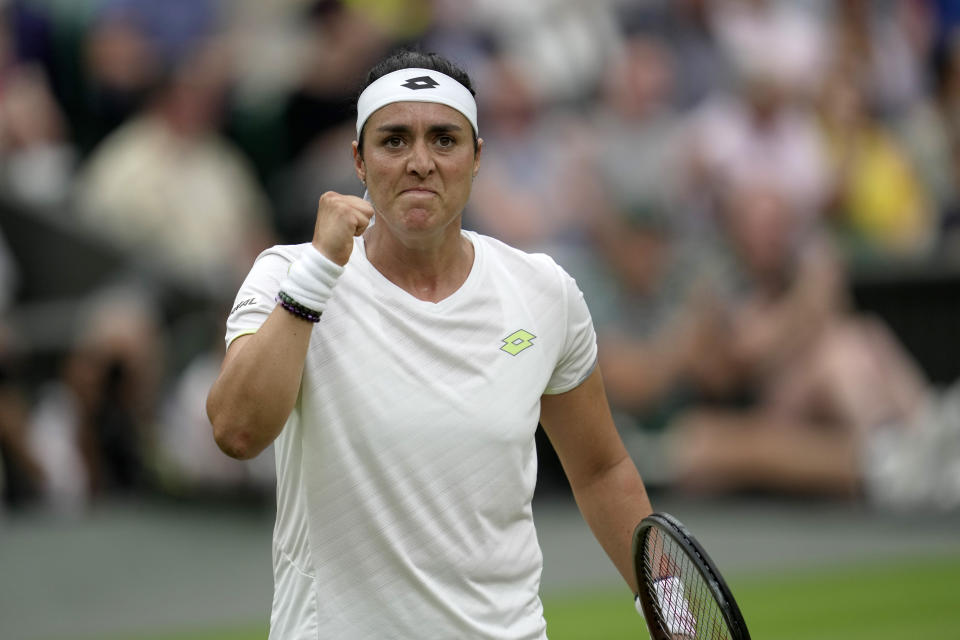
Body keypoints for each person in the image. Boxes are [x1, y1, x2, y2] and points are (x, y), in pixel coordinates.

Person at [205, 50, 653, 638]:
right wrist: (316, 276)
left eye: (444, 139)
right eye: (395, 141)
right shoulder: (288, 275)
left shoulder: (544, 291)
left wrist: (666, 605)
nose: (420, 162)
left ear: (477, 158)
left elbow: (601, 470)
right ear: (359, 162)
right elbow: (237, 430)